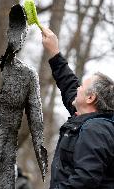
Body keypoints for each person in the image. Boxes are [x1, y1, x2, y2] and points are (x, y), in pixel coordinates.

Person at [41, 28, 114, 189]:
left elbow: (84, 181)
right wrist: (54, 53)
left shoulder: (95, 130)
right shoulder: (86, 119)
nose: (78, 88)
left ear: (90, 98)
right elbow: (69, 85)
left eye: (82, 86)